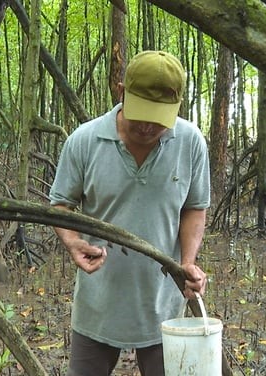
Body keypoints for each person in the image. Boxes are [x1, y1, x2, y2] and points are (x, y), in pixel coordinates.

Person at [49, 50, 211, 376]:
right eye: (142, 113)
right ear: (121, 91)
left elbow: (194, 207)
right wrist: (72, 242)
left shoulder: (190, 142)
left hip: (164, 305)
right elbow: (60, 205)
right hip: (98, 302)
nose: (148, 126)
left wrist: (188, 262)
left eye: (159, 116)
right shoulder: (85, 140)